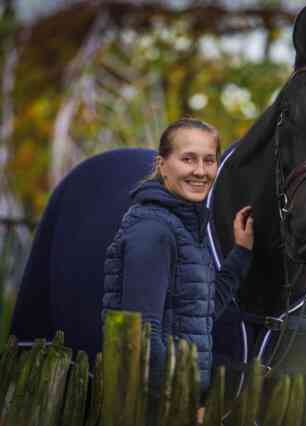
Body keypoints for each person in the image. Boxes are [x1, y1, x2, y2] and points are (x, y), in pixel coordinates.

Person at [101, 117, 254, 423]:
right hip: (153, 408)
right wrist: (178, 404)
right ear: (162, 165)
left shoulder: (183, 227)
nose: (200, 171)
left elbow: (201, 310)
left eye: (209, 160)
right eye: (188, 159)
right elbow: (144, 333)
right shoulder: (153, 229)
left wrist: (241, 253)